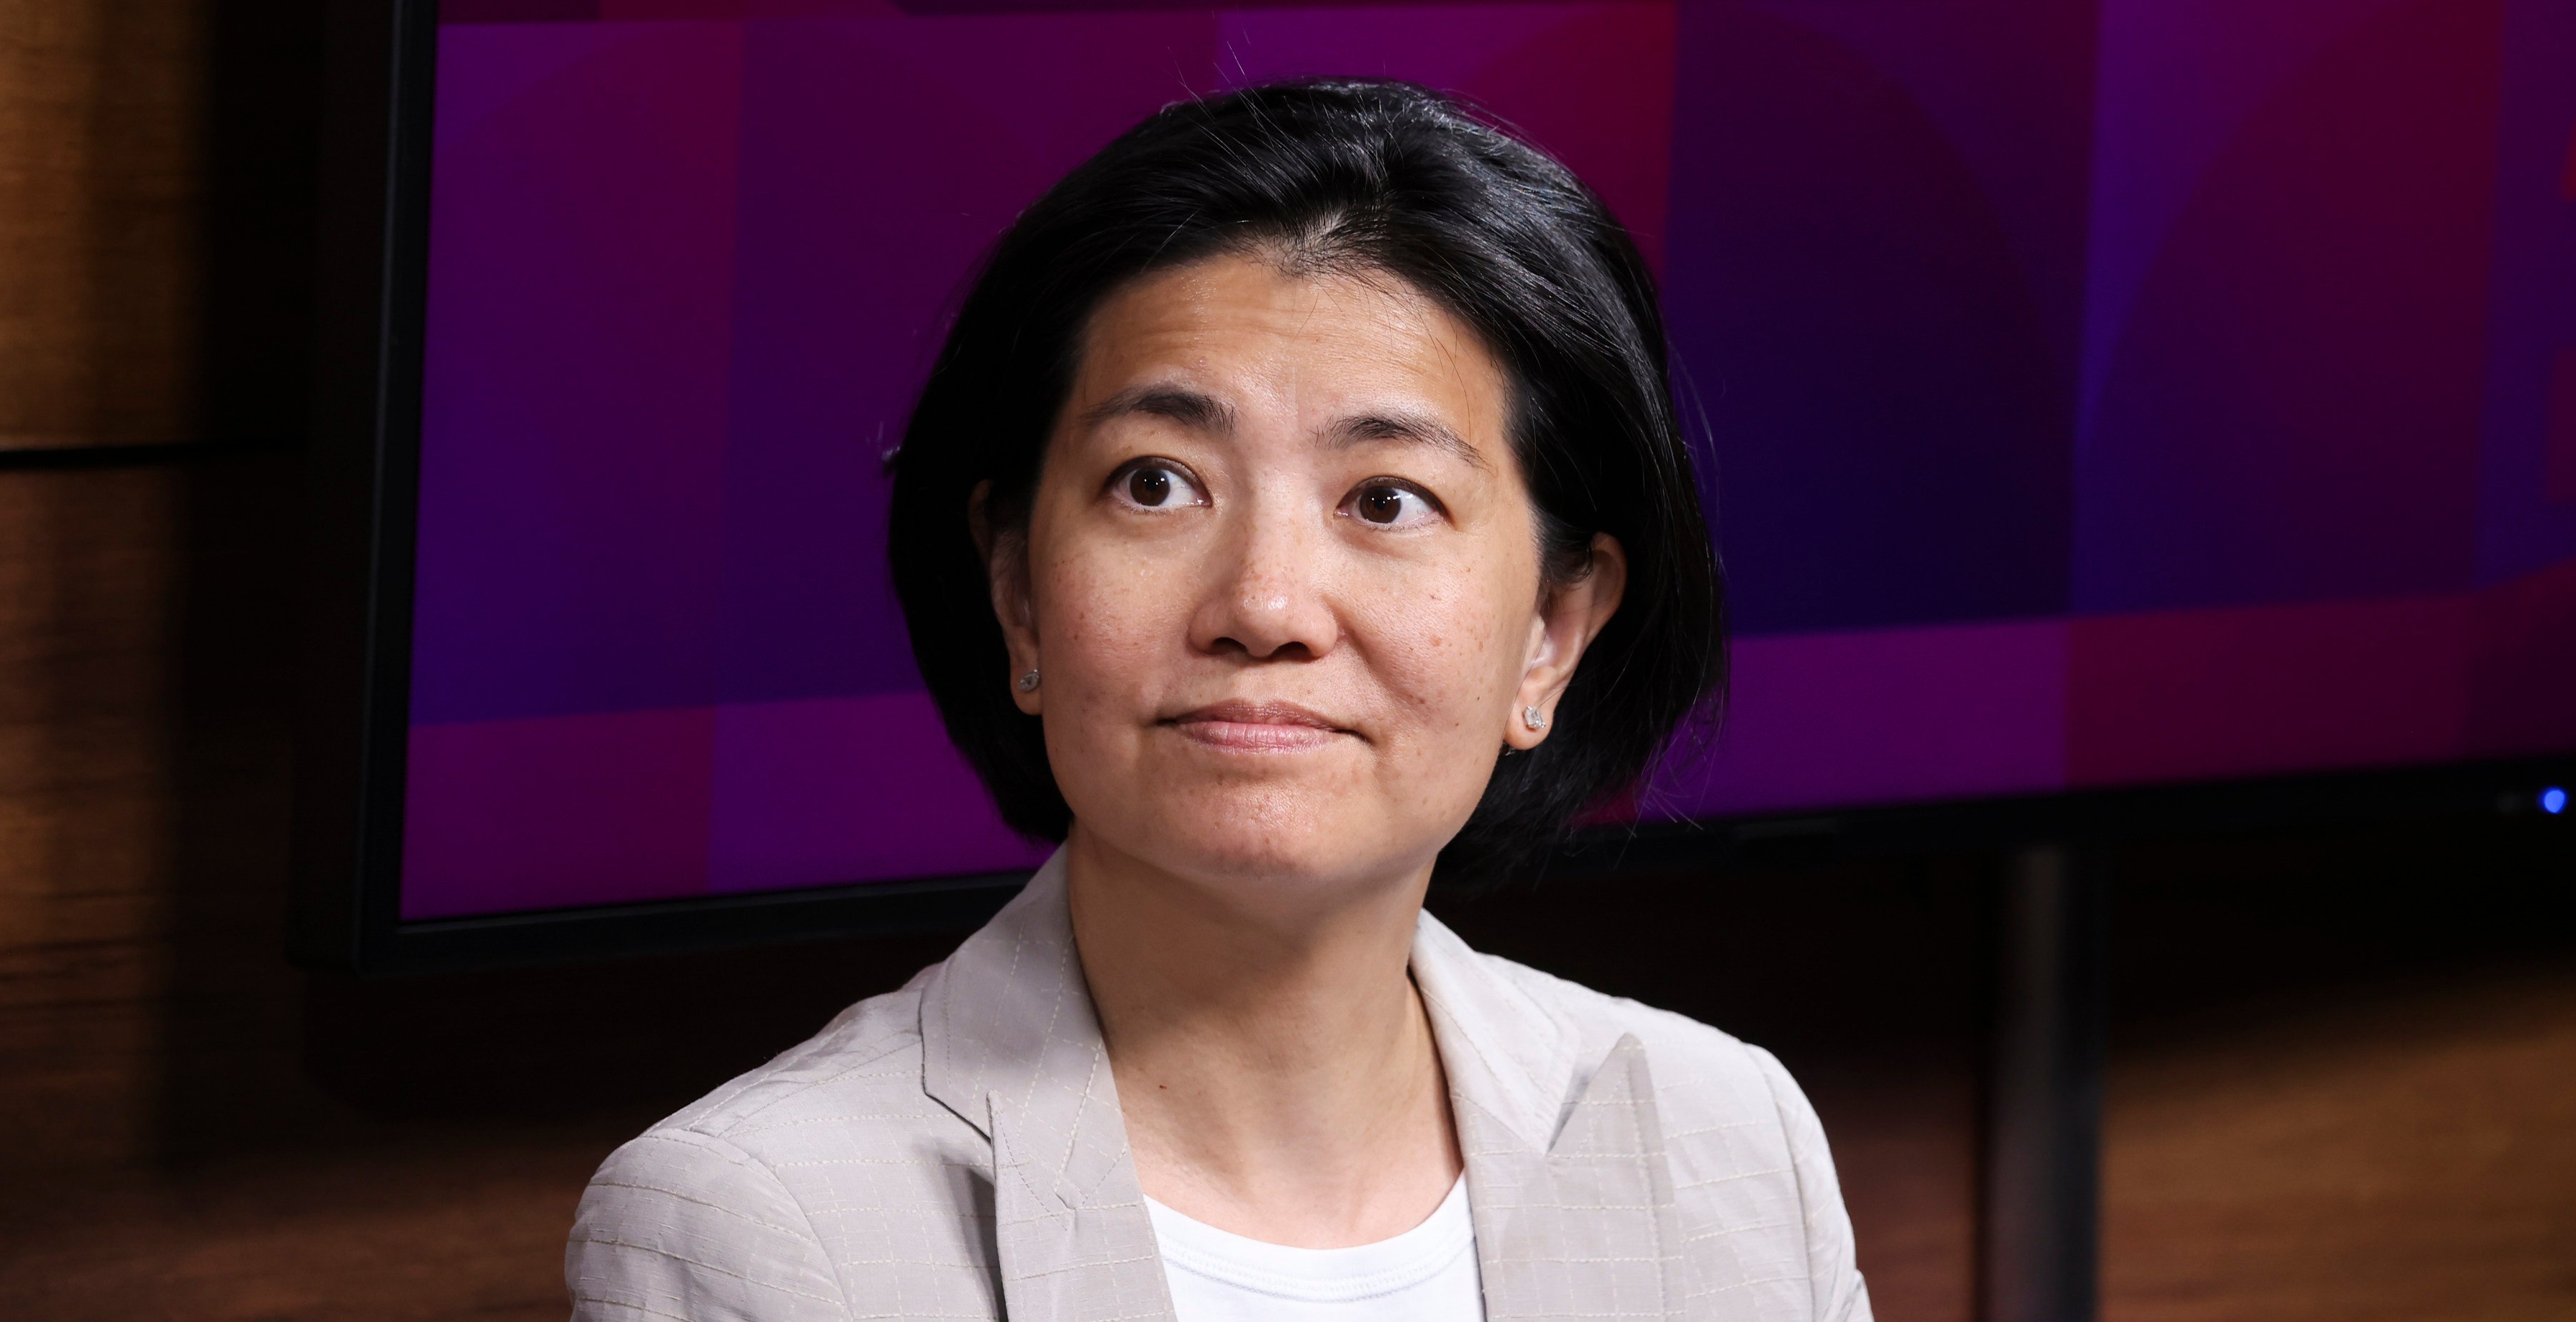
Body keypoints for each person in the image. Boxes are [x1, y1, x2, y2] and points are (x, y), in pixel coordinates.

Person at [567, 80, 1871, 1322]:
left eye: (1386, 499)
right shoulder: (766, 1224)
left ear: (1551, 632)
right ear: (1018, 591)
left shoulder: (1724, 1147)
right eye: (1156, 483)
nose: (1266, 603)